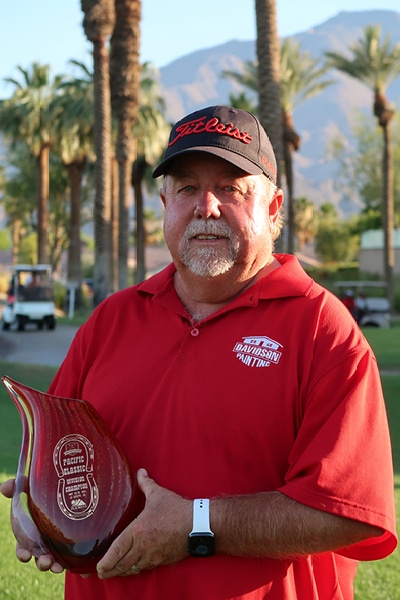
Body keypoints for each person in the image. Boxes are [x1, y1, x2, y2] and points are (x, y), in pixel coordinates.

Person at [1, 105, 397, 599]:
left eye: (231, 188)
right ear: (165, 203)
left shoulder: (322, 329)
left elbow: (348, 513)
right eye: (187, 188)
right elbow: (58, 455)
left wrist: (196, 525)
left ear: (273, 208)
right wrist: (37, 508)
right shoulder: (111, 321)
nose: (205, 205)